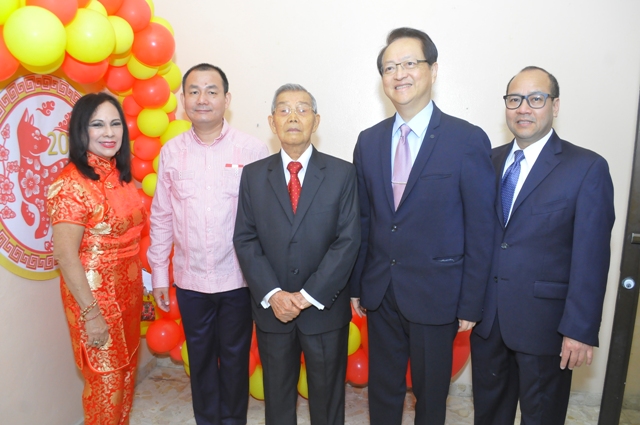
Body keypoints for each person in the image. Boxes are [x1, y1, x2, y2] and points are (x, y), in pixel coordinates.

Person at [348, 27, 496, 425]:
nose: (399, 74)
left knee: (431, 396)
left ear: (432, 70)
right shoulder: (369, 141)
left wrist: (471, 301)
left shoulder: (466, 140)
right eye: (389, 67)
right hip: (381, 291)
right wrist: (359, 284)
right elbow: (364, 219)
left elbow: (483, 228)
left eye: (409, 63)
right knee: (384, 390)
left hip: (438, 293)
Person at [470, 66, 615, 425]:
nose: (523, 108)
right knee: (488, 415)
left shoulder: (586, 168)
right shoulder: (486, 162)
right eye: (514, 99)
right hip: (488, 323)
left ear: (555, 106)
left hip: (546, 328)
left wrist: (579, 330)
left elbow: (591, 257)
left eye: (536, 99)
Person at [147, 63, 268, 425]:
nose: (203, 99)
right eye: (194, 91)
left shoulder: (253, 149)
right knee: (198, 358)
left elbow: (266, 220)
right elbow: (162, 217)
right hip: (190, 279)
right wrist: (158, 276)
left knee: (235, 358)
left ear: (226, 99)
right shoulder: (171, 152)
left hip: (238, 279)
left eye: (212, 91)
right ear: (183, 100)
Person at [233, 84, 360, 425]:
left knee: (328, 400)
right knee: (277, 400)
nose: (293, 116)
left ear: (316, 121)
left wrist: (306, 296)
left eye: (302, 109)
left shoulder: (342, 173)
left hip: (323, 310)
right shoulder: (254, 176)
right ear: (272, 122)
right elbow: (245, 239)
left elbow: (348, 241)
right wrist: (274, 294)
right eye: (284, 109)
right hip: (273, 312)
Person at [47, 92, 146, 424]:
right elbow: (65, 254)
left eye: (115, 123)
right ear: (81, 131)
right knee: (105, 385)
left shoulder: (121, 177)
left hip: (128, 297)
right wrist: (91, 315)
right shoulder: (71, 185)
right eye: (98, 124)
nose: (109, 132)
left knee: (126, 375)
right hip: (94, 300)